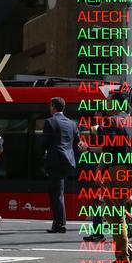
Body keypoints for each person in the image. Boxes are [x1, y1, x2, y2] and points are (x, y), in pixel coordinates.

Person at [95, 92, 132, 263]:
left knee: (114, 214)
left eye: (108, 102)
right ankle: (126, 251)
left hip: (117, 172)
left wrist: (99, 171)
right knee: (115, 212)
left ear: (116, 104)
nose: (106, 105)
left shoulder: (111, 120)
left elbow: (107, 147)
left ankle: (122, 259)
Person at [42, 97, 80, 233]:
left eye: (50, 105)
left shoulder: (50, 121)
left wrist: (43, 156)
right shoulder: (72, 123)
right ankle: (58, 222)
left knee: (56, 193)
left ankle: (59, 224)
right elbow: (77, 142)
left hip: (55, 162)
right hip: (68, 161)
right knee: (58, 191)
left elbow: (44, 143)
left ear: (53, 107)